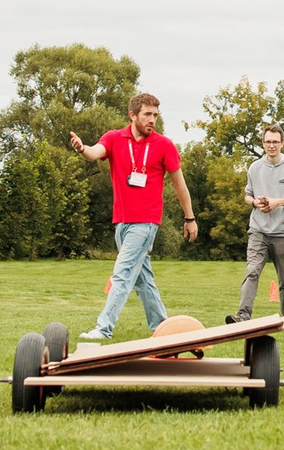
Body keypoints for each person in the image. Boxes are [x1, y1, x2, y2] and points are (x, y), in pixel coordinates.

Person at [69, 92, 199, 342]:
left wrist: (189, 218)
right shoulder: (114, 138)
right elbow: (94, 152)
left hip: (146, 222)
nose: (152, 120)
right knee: (142, 278)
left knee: (123, 272)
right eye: (147, 114)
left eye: (155, 115)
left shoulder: (164, 145)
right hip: (121, 221)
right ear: (132, 115)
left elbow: (180, 185)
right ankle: (161, 326)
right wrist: (82, 148)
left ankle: (103, 328)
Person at [230, 124, 284, 323]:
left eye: (275, 142)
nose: (271, 145)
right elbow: (248, 195)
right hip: (258, 231)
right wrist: (255, 202)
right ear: (263, 143)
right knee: (252, 272)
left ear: (282, 143)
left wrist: (278, 202)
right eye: (268, 142)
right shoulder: (255, 167)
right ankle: (243, 316)